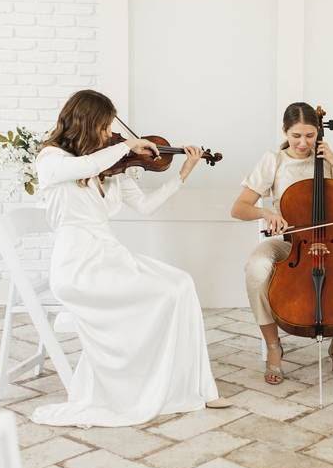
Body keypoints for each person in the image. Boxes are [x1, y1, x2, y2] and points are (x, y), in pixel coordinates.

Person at [31, 89, 226, 427]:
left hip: (109, 255)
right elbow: (85, 165)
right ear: (87, 123)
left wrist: (184, 173)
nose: (110, 134)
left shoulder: (112, 166)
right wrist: (125, 147)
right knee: (163, 295)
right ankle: (137, 385)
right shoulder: (51, 159)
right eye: (105, 127)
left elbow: (146, 207)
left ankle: (189, 388)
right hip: (78, 266)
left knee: (180, 284)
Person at [230, 102, 333, 384]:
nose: (303, 143)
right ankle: (274, 347)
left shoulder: (328, 160)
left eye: (310, 136)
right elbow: (239, 208)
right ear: (285, 131)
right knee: (256, 266)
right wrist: (267, 212)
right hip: (290, 244)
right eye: (296, 135)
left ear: (319, 133)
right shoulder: (273, 160)